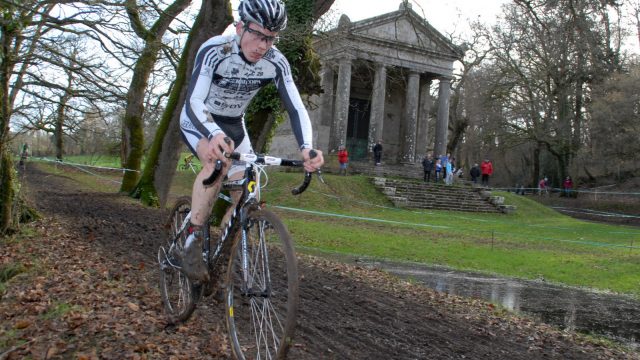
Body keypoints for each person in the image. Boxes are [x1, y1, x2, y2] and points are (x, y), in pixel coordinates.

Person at [178, 0, 324, 283]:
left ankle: (223, 252)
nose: (263, 45)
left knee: (249, 190)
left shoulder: (276, 62)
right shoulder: (215, 50)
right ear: (240, 26)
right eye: (257, 35)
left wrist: (307, 147)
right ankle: (192, 239)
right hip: (201, 119)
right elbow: (194, 100)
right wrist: (212, 134)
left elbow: (295, 107)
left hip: (234, 125)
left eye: (270, 38)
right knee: (215, 165)